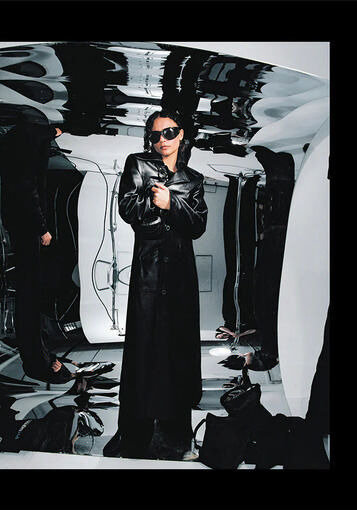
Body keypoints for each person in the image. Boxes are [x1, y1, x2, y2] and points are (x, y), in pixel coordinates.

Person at [109, 110, 208, 460]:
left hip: (181, 274)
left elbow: (197, 226)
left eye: (169, 132)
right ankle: (134, 434)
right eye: (155, 135)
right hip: (149, 272)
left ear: (181, 135)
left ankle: (175, 436)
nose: (162, 140)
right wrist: (159, 211)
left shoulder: (193, 179)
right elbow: (127, 207)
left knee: (177, 349)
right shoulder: (137, 164)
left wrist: (171, 202)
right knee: (144, 348)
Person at [0, 115, 74, 384]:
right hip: (20, 224)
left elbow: (28, 190)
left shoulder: (24, 146)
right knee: (28, 294)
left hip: (26, 225)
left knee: (29, 293)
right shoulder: (34, 357)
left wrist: (42, 229)